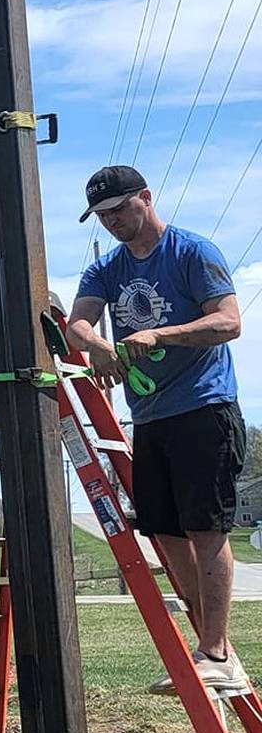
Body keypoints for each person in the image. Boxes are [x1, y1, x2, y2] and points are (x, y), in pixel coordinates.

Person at [66, 165, 246, 692]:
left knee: (205, 528)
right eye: (102, 216)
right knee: (165, 533)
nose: (112, 222)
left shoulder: (192, 253)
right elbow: (78, 323)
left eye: (120, 210)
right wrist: (97, 346)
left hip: (203, 408)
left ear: (145, 198)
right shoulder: (107, 269)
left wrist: (160, 334)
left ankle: (214, 650)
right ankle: (214, 650)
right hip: (149, 419)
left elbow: (229, 322)